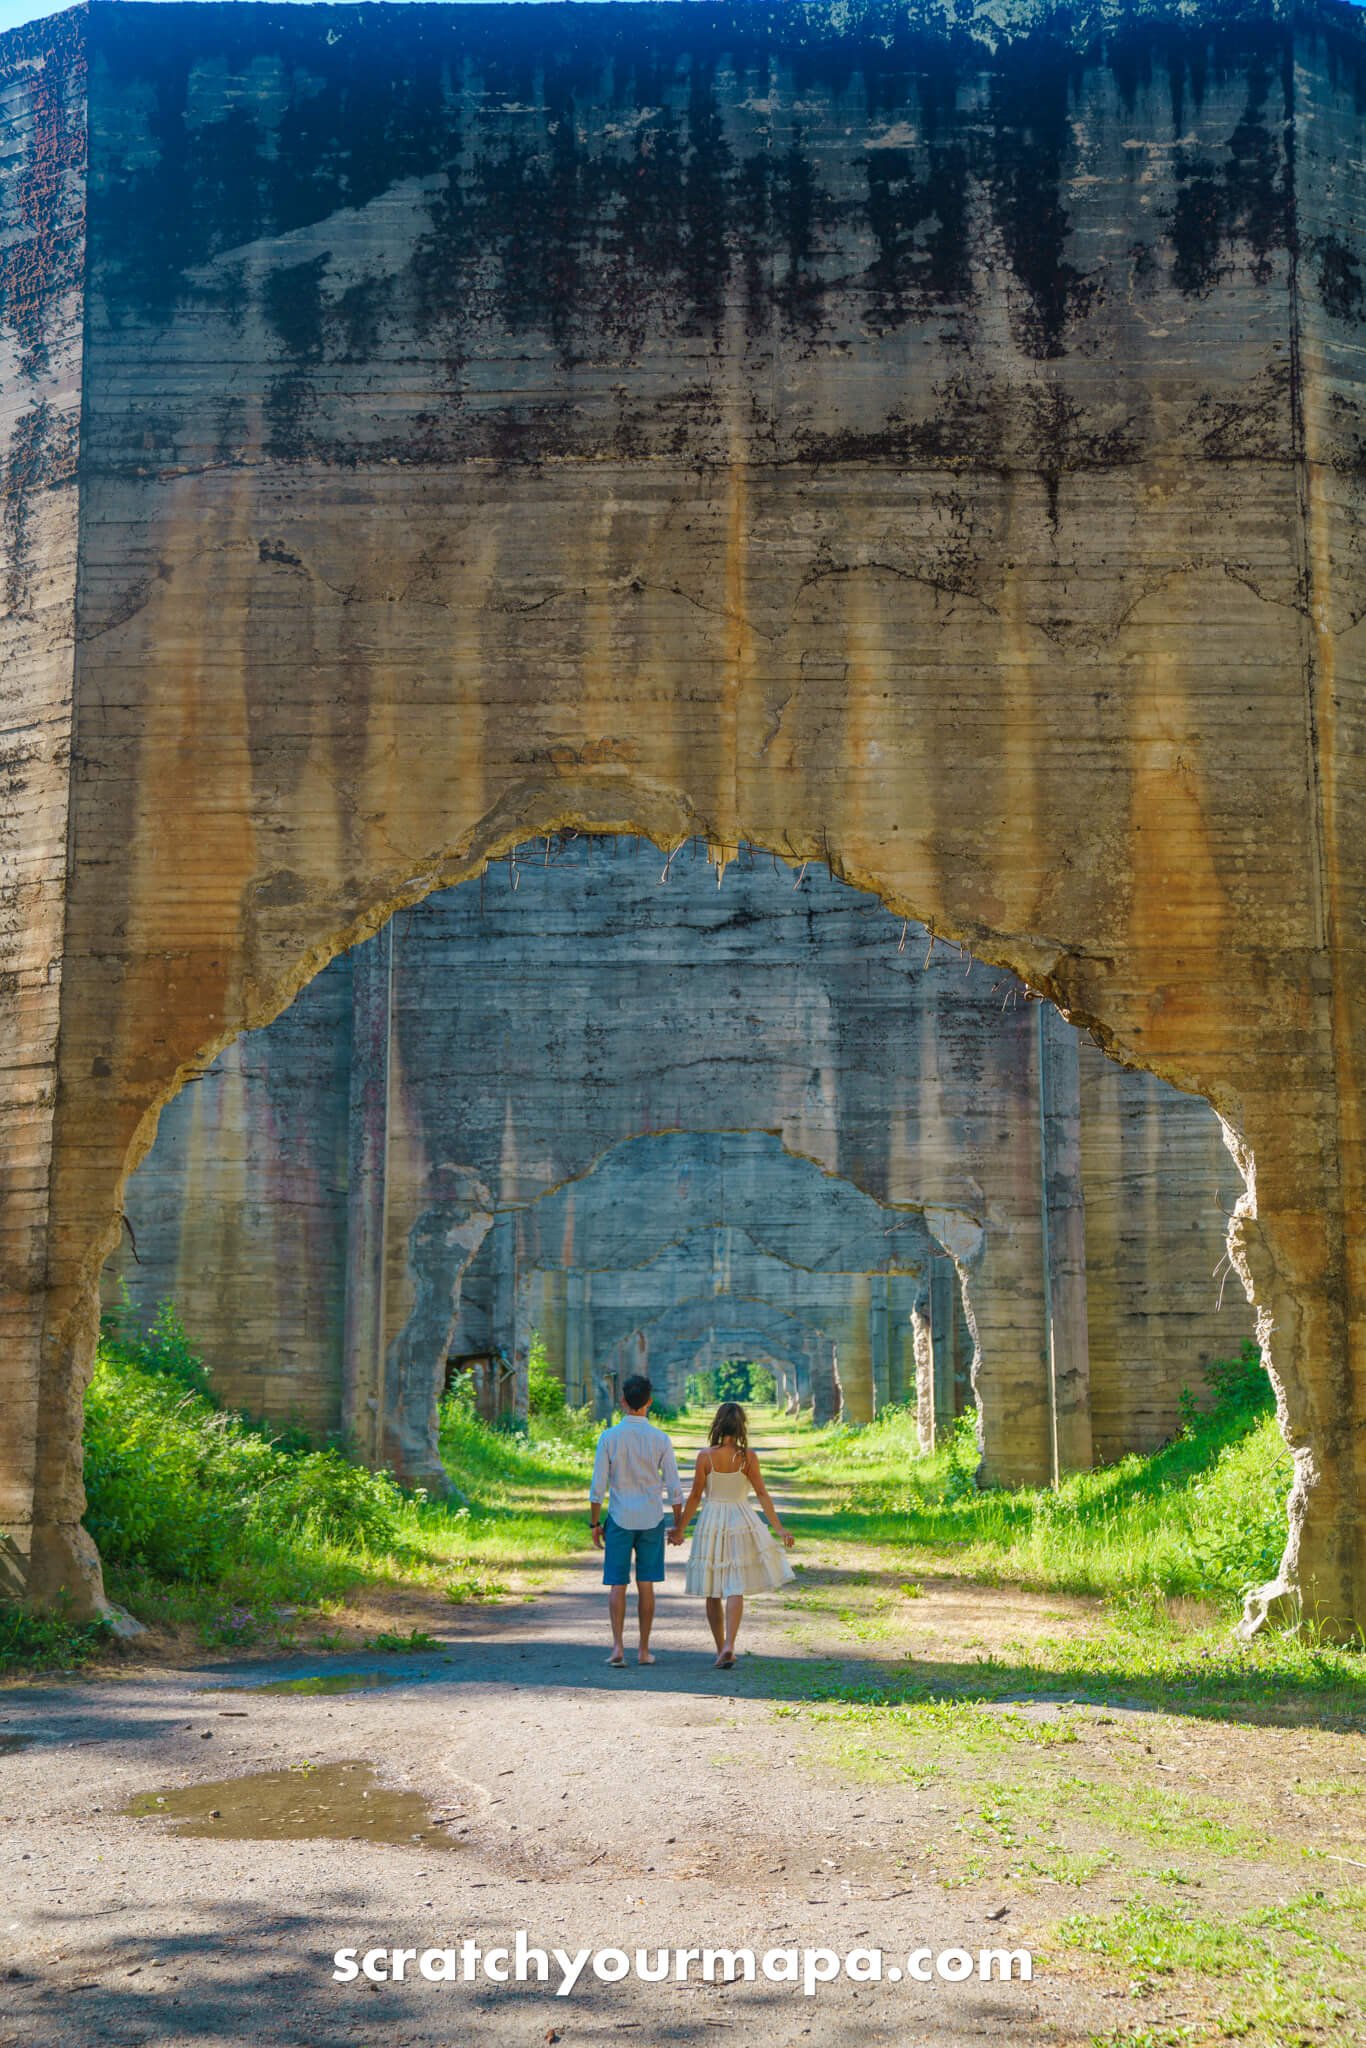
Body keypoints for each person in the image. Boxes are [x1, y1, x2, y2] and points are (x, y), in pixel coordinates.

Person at [670, 1401, 795, 1668]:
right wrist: (779, 1528)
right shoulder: (748, 1456)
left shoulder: (705, 1456)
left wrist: (680, 1527)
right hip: (740, 1518)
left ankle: (720, 1648)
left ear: (717, 1424)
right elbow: (761, 1493)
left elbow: (694, 1495)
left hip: (712, 1520)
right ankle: (730, 1645)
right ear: (741, 1427)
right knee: (735, 1584)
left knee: (712, 1588)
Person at [589, 1373, 684, 1668]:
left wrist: (595, 1524)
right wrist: (678, 1525)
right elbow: (674, 1487)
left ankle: (618, 1647)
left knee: (617, 1585)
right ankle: (643, 1650)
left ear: (622, 1401)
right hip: (651, 1518)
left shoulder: (609, 1437)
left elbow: (598, 1486)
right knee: (646, 1585)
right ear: (650, 1402)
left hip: (619, 1517)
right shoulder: (660, 1439)